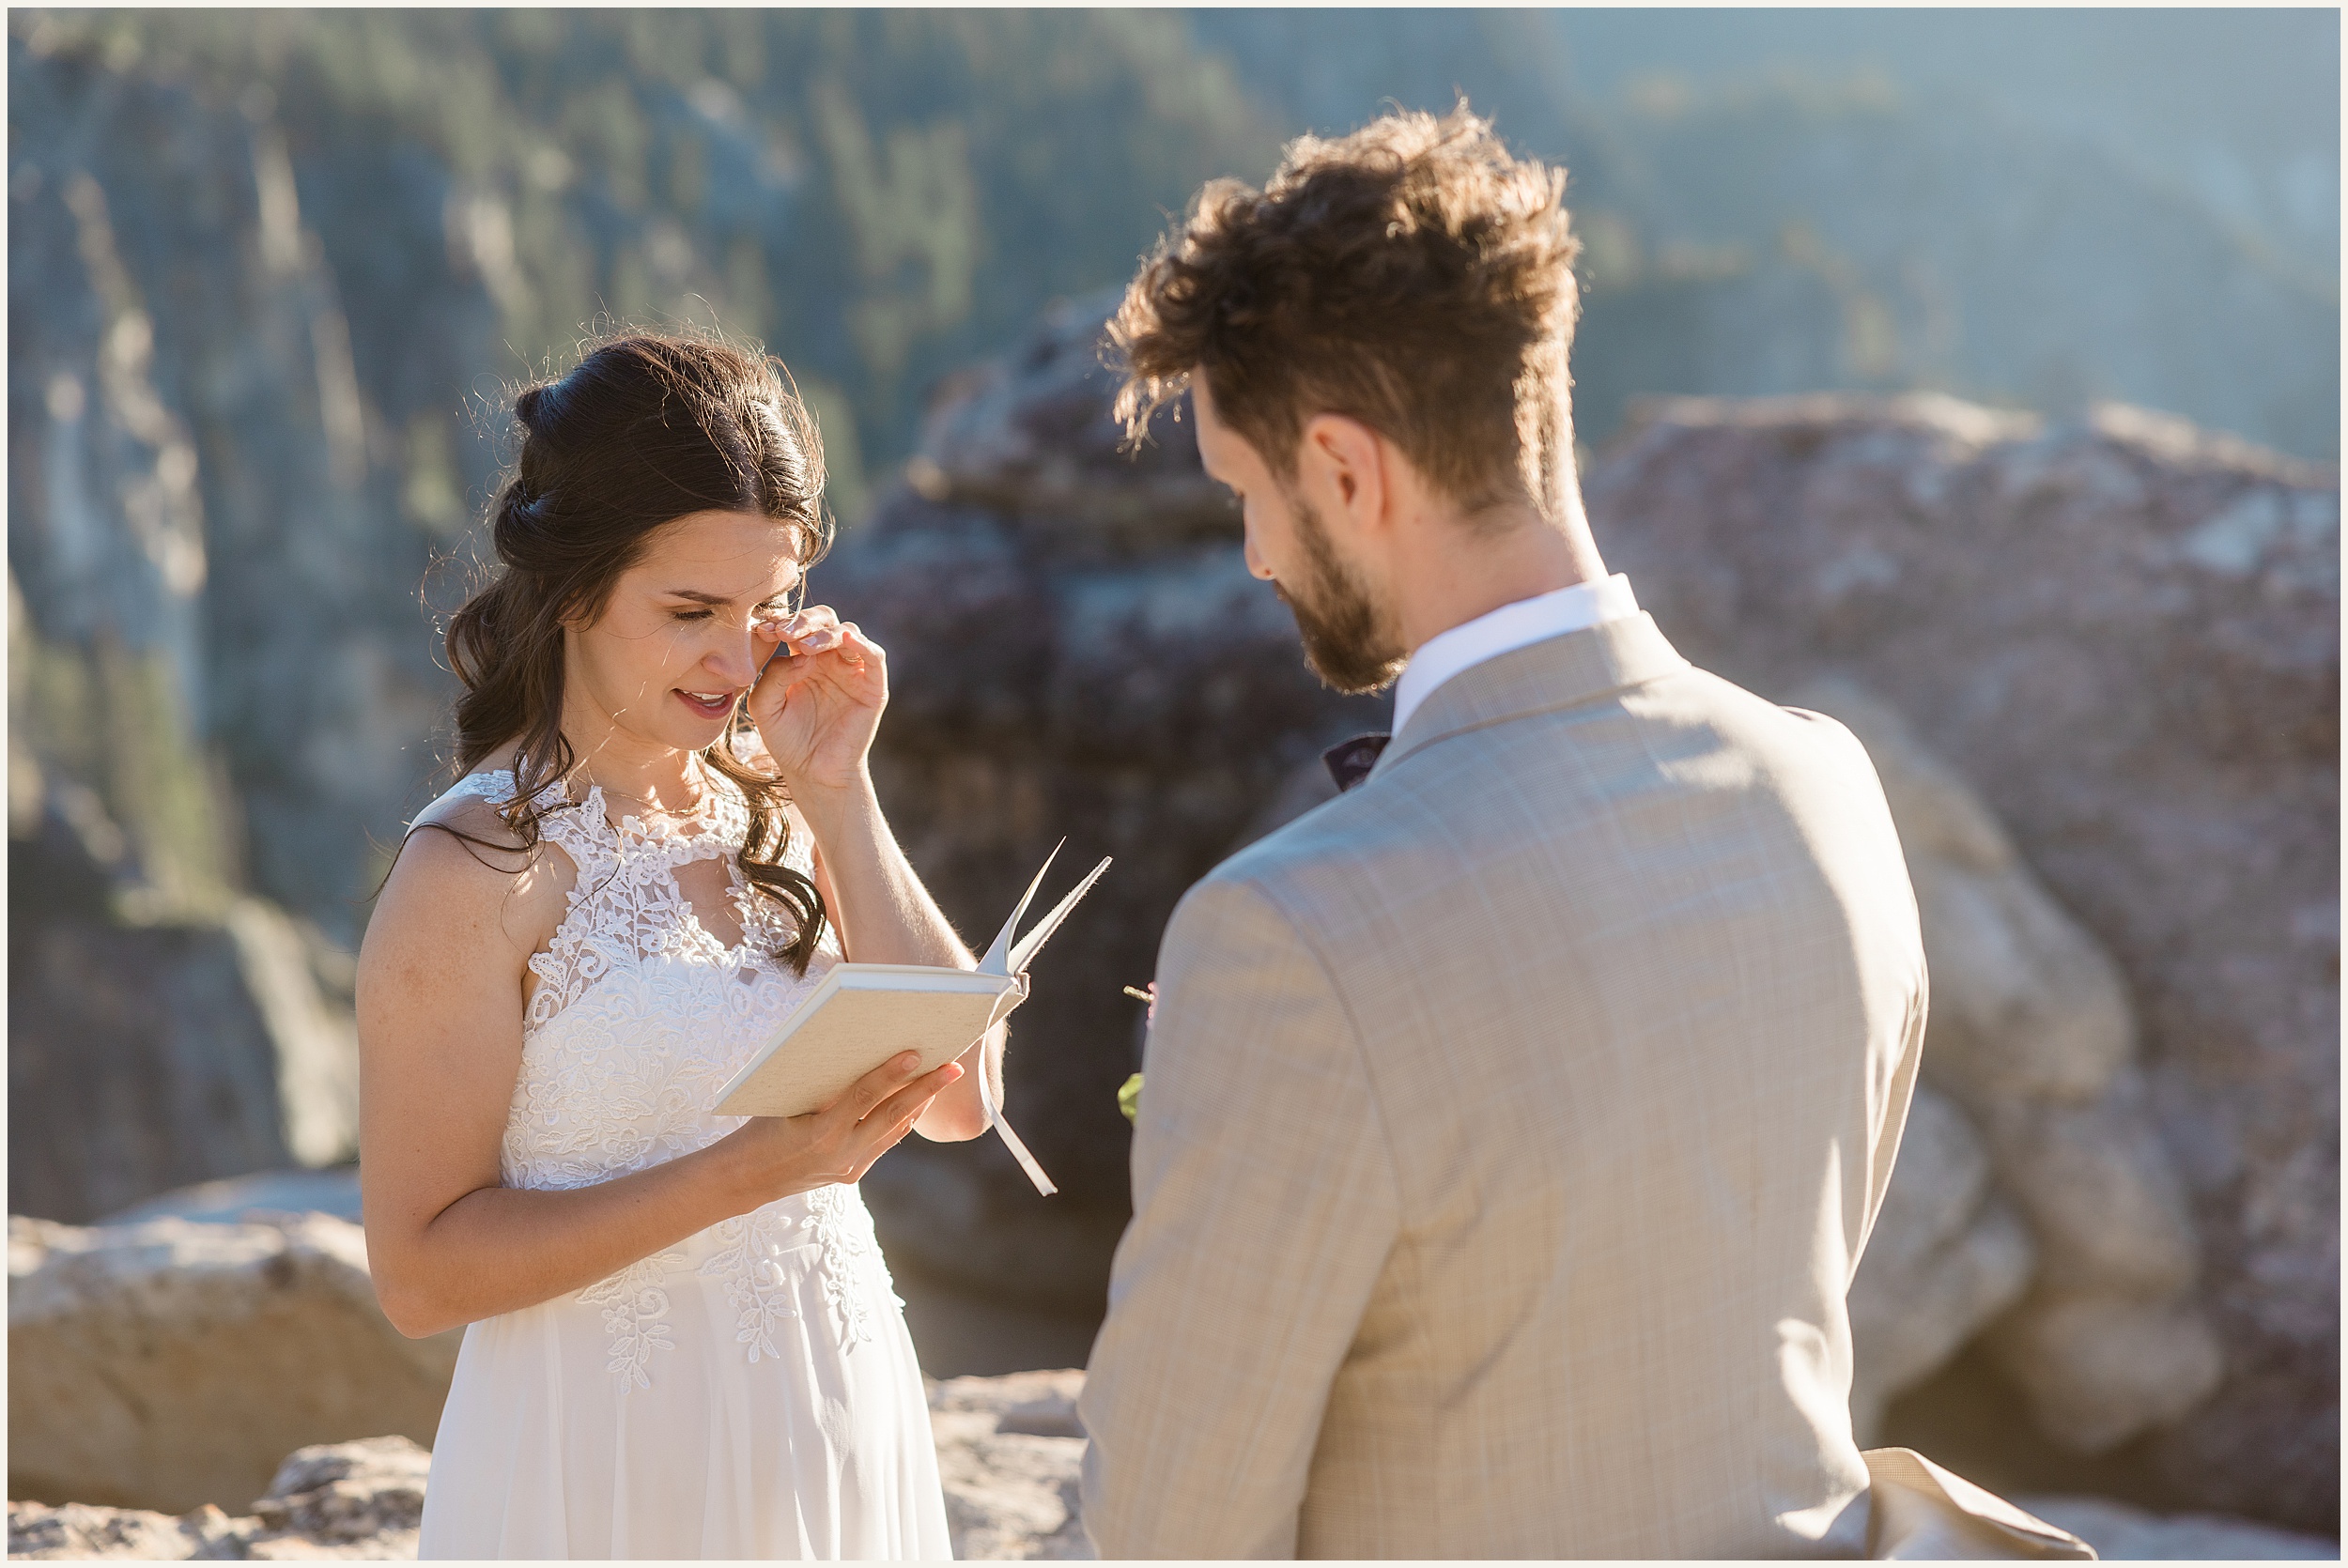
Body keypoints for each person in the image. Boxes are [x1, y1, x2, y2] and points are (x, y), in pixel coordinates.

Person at [1078, 106, 2092, 1560]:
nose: (1252, 551)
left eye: (1250, 493)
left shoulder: (1285, 937)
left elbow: (1174, 1532)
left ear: (1348, 471)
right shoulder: (1832, 790)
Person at [357, 333, 981, 1559]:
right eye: (692, 611)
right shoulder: (473, 870)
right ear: (578, 585)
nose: (742, 659)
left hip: (835, 1418)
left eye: (771, 608)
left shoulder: (780, 791)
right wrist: (747, 1172)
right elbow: (419, 1275)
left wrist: (842, 797)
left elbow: (962, 1100)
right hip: (603, 1473)